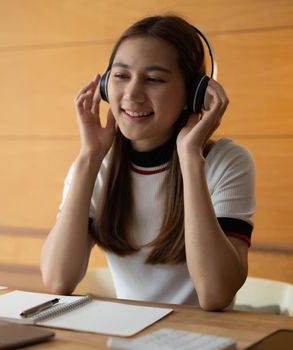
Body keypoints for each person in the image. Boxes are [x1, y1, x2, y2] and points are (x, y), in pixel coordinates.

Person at [40, 15, 255, 311]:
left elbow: (215, 295)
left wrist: (191, 158)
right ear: (104, 86)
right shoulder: (96, 165)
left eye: (154, 79)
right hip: (127, 336)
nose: (132, 94)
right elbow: (57, 280)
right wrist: (89, 157)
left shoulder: (226, 162)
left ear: (193, 95)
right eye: (121, 76)